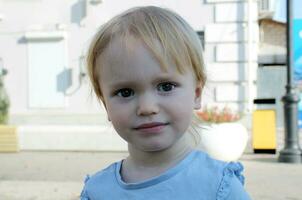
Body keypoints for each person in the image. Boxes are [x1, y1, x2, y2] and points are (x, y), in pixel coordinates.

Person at [81, 6, 251, 200]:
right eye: (125, 92)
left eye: (166, 86)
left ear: (196, 93)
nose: (147, 108)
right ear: (105, 105)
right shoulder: (97, 192)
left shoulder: (218, 185)